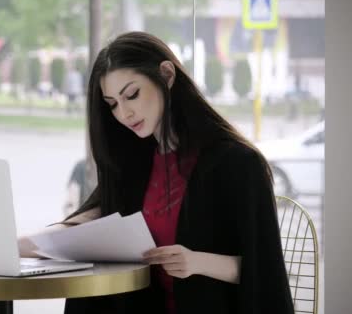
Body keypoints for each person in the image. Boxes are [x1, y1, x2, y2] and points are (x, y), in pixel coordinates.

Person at [19, 32, 294, 313]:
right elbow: (90, 221)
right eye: (112, 103)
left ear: (166, 75)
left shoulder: (236, 163)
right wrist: (17, 245)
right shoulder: (134, 165)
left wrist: (197, 262)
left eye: (132, 95)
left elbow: (266, 274)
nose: (124, 113)